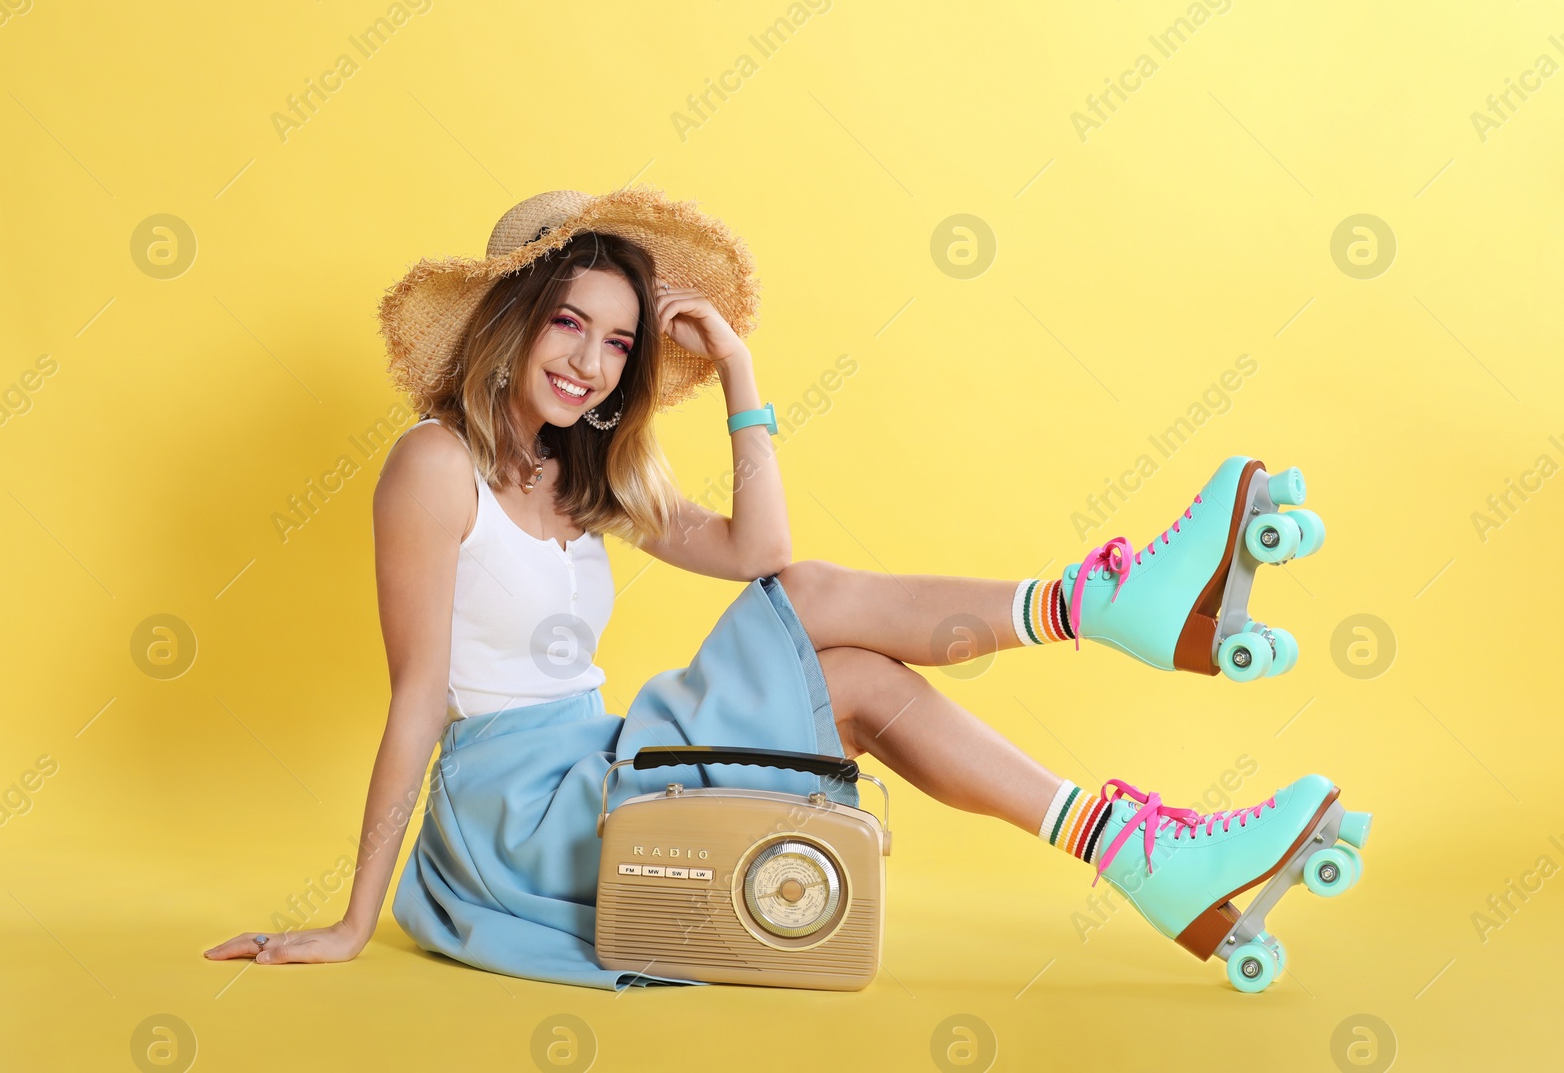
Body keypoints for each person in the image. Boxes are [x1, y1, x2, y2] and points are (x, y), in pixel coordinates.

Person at [205, 186, 1370, 994]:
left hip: (607, 762)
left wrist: (739, 378)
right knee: (822, 618)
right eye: (568, 323)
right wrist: (355, 915)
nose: (588, 362)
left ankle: (1136, 849)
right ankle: (1095, 608)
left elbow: (761, 552)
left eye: (618, 343)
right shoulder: (431, 468)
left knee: (854, 670)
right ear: (511, 324)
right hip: (523, 812)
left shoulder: (585, 474)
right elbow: (416, 698)